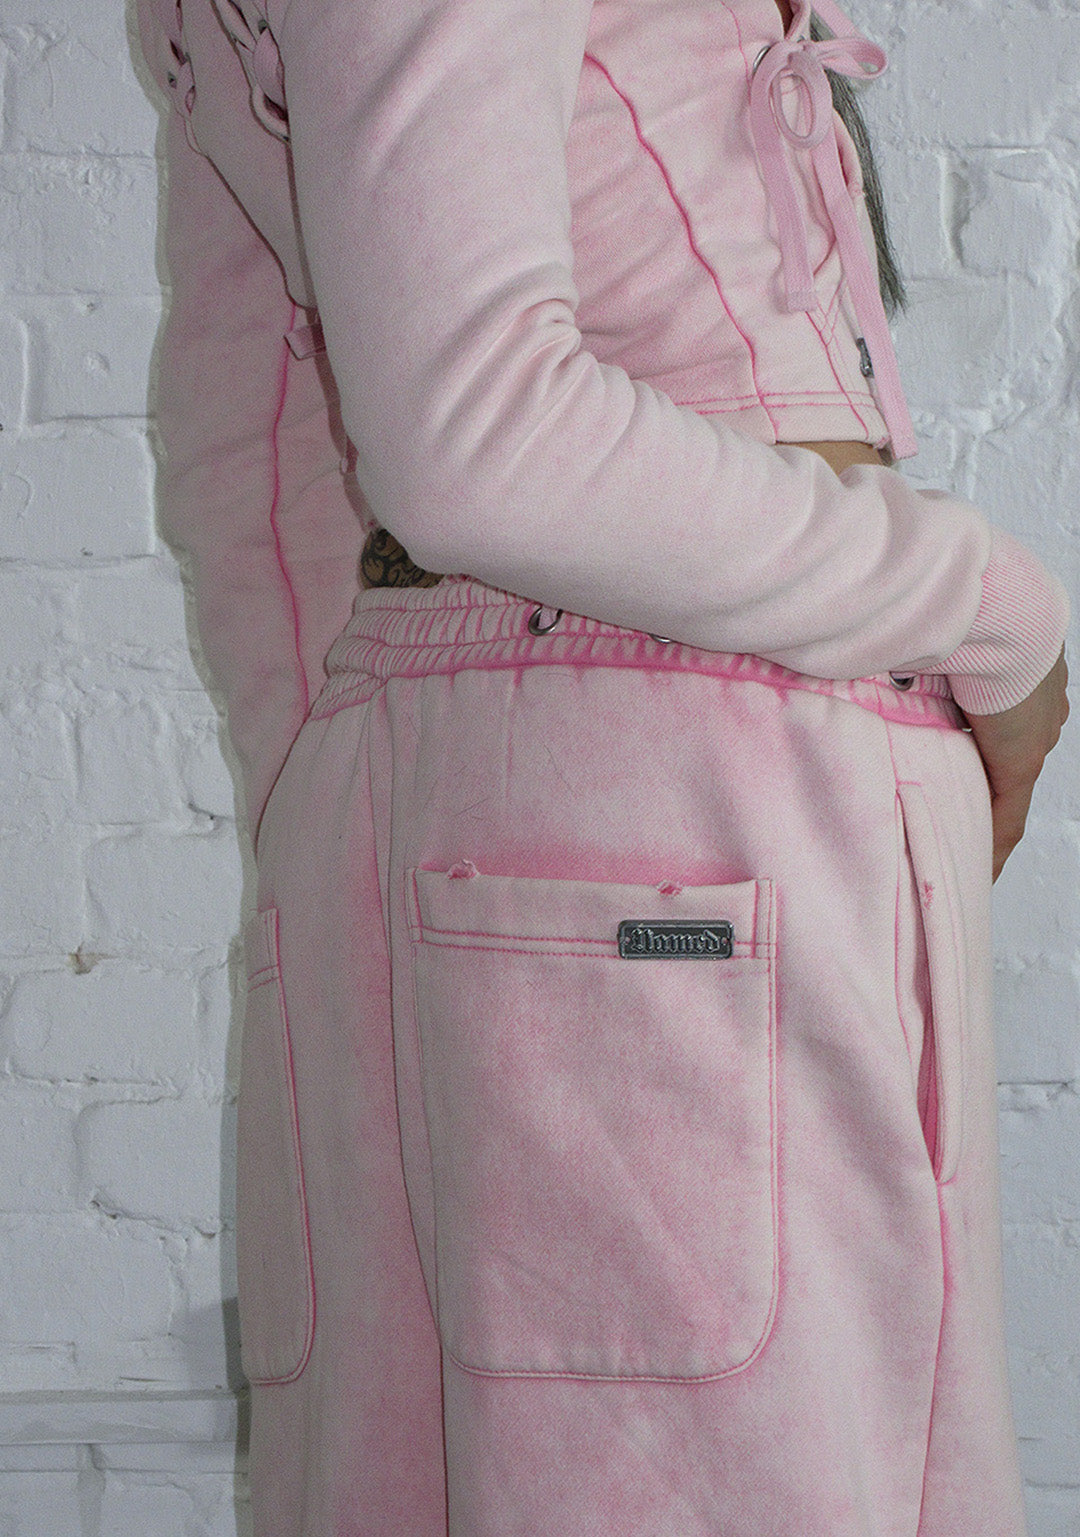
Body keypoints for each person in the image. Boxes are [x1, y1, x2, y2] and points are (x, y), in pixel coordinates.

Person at [136, 0, 1069, 1531]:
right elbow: (473, 436)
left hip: (624, 833)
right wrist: (991, 611)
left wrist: (348, 831)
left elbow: (255, 409)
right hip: (683, 823)